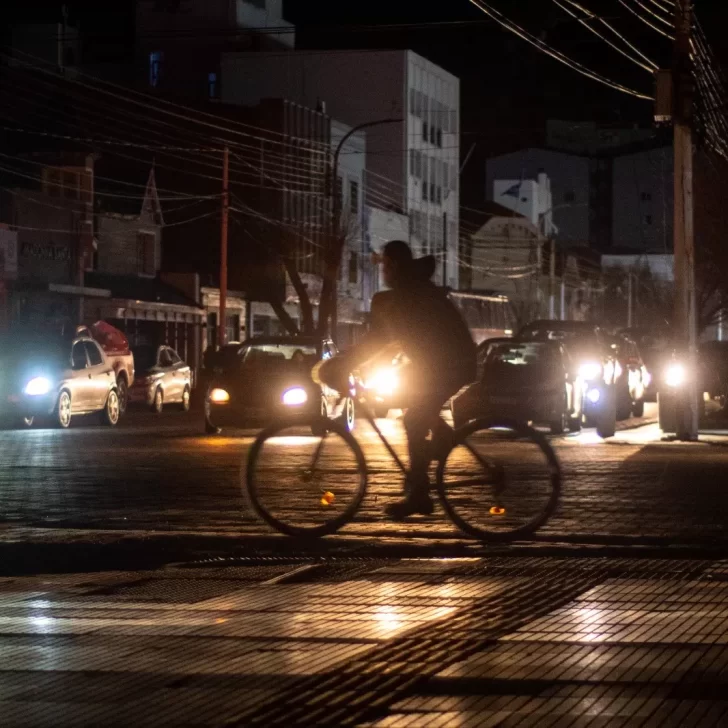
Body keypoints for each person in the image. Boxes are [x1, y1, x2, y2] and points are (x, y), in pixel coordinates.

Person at [318, 240, 476, 521]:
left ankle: (419, 495)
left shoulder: (408, 295)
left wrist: (343, 364)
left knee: (414, 419)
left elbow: (379, 340)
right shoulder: (409, 290)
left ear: (396, 266)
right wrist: (352, 362)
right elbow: (389, 343)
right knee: (406, 401)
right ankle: (439, 442)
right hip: (437, 362)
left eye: (387, 265)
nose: (384, 271)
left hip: (450, 364)